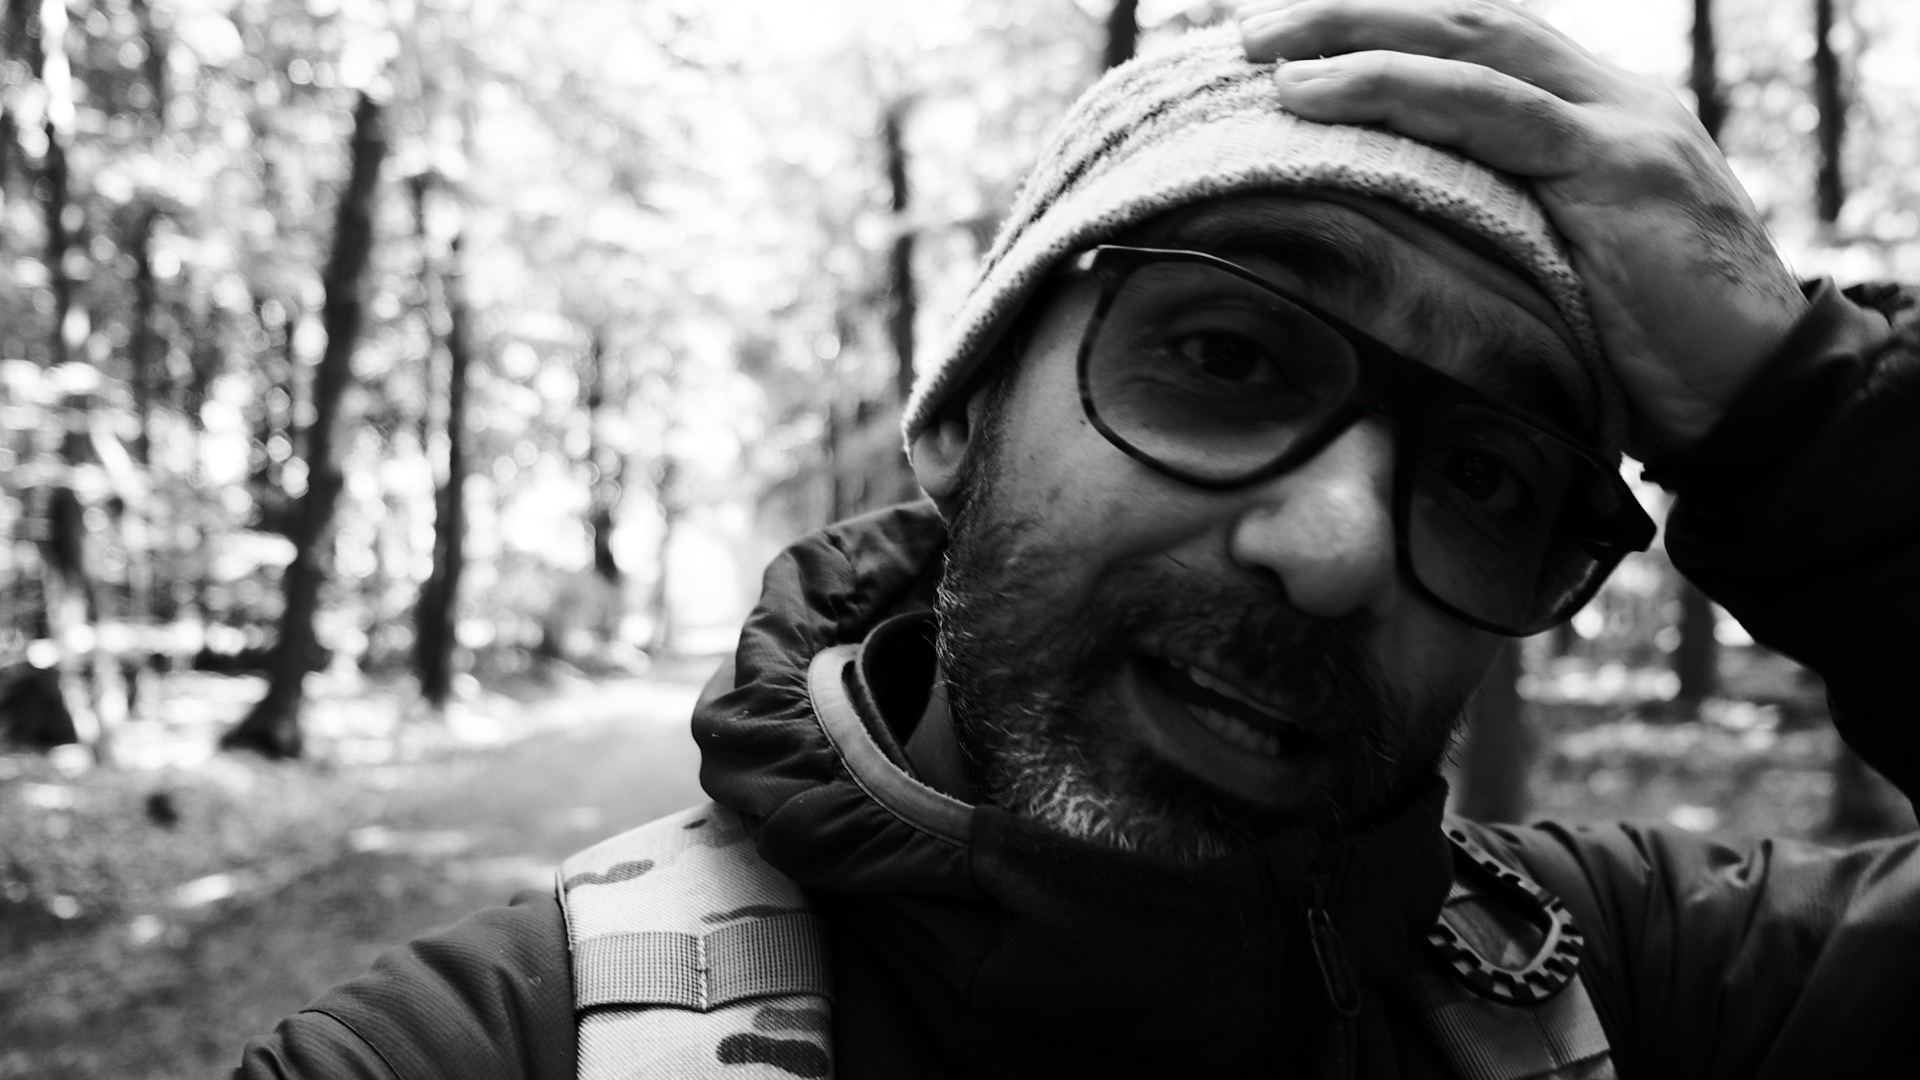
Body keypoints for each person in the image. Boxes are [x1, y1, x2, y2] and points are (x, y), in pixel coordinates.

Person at [236, 3, 1920, 1078]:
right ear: (965, 413)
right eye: (1229, 357)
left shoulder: (1635, 983)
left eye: (1488, 476)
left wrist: (1811, 413)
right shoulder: (475, 1050)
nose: (1334, 547)